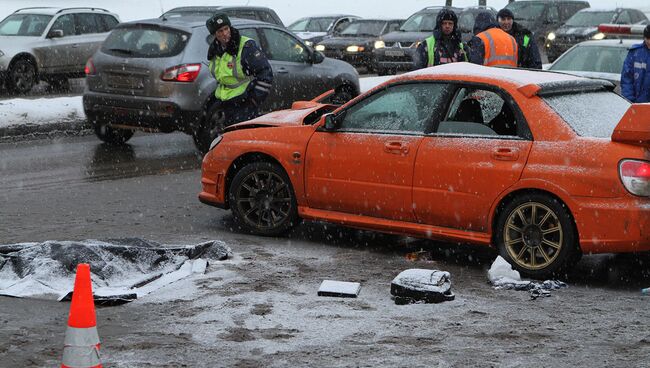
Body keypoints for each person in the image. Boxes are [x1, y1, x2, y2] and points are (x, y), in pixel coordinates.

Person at [205, 13, 273, 127]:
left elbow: (265, 73)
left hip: (244, 103)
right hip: (226, 104)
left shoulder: (246, 46)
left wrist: (254, 100)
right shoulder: (215, 51)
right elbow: (222, 77)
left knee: (243, 139)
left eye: (226, 29)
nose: (225, 33)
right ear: (214, 35)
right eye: (220, 31)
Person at [621, 25, 650, 103]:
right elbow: (627, 78)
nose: (649, 42)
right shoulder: (635, 53)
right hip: (637, 105)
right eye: (647, 38)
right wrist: (629, 101)